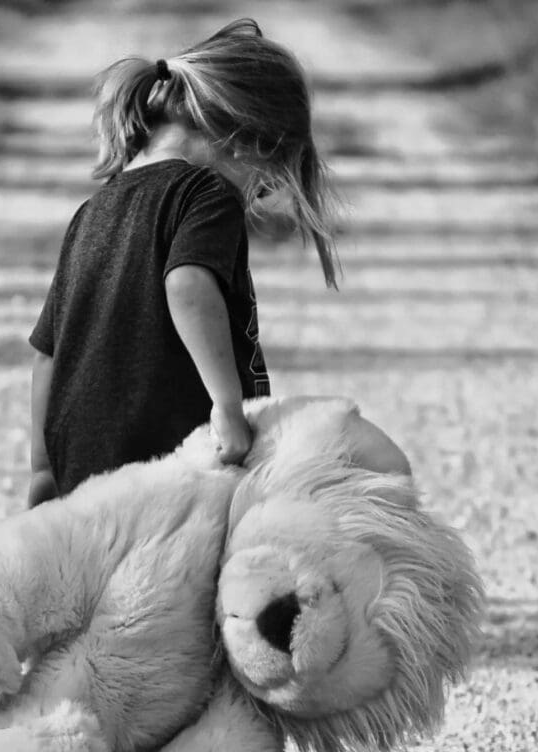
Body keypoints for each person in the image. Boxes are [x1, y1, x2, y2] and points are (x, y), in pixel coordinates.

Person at [27, 18, 338, 507]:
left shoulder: (93, 210)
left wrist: (43, 467)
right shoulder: (206, 192)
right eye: (266, 181)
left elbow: (49, 352)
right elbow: (188, 285)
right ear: (245, 138)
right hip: (170, 460)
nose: (261, 193)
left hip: (81, 467)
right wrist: (228, 406)